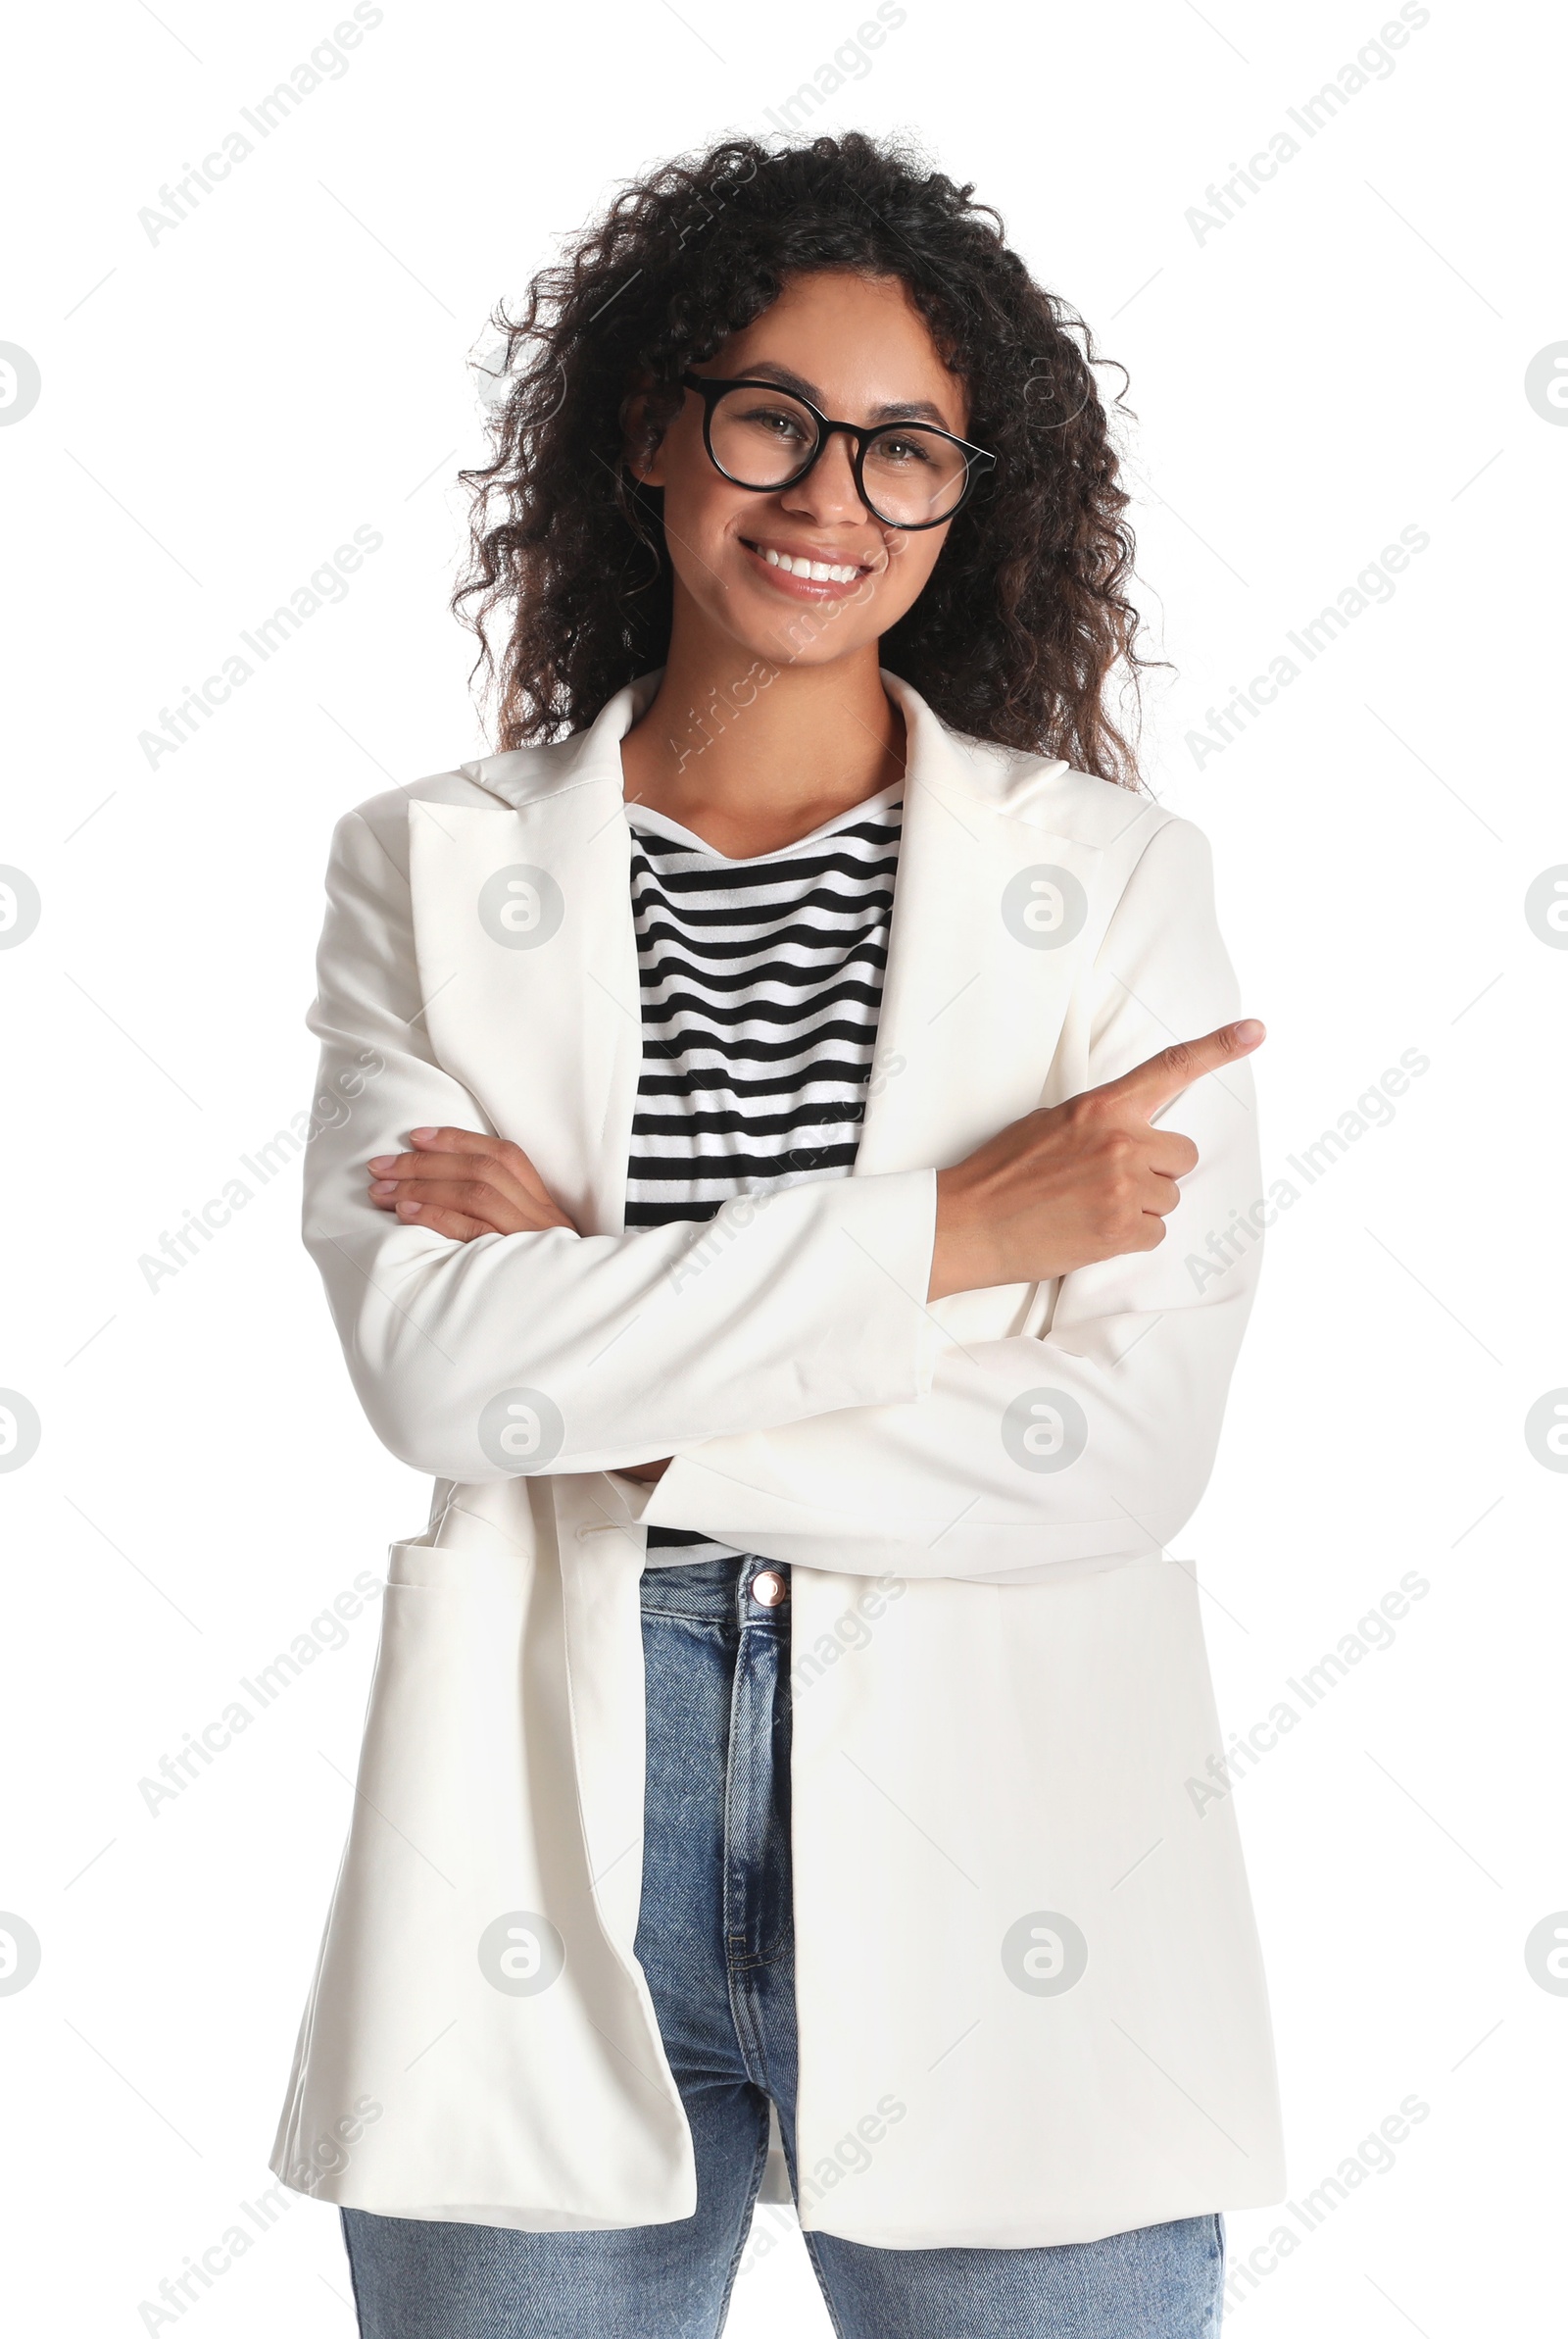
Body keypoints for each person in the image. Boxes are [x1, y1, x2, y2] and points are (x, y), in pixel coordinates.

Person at [270, 128, 1284, 2338]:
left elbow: (1109, 1451)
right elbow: (442, 1370)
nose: (826, 495)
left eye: (901, 447)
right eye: (770, 417)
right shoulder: (426, 869)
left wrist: (616, 1395)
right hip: (545, 1807)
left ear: (963, 495)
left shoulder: (1109, 880)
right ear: (651, 429)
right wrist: (953, 1234)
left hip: (1014, 1821)